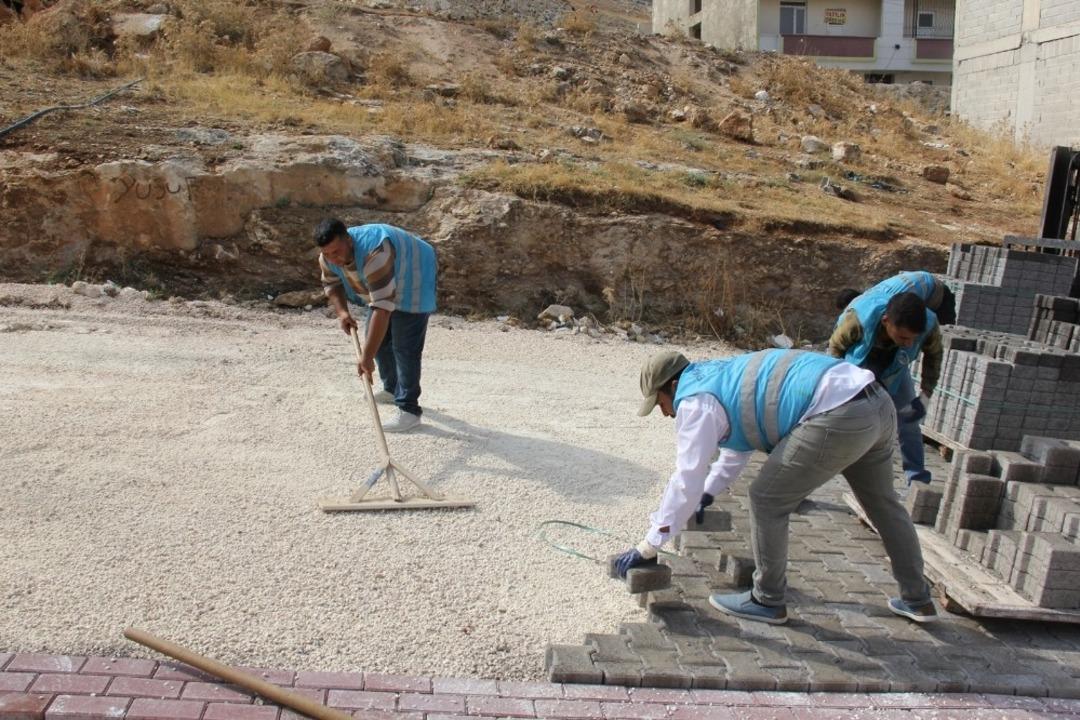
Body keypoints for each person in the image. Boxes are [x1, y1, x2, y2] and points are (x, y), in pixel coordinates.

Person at [613, 349, 937, 626]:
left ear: (672, 385)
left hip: (838, 413)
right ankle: (918, 599)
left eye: (660, 403)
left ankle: (767, 599)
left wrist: (649, 545)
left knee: (766, 499)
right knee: (884, 504)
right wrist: (705, 498)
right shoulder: (718, 377)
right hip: (876, 402)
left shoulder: (694, 402)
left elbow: (686, 477)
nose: (664, 413)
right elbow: (732, 454)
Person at [314, 218, 437, 433]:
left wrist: (366, 357)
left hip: (413, 275)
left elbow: (382, 308)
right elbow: (332, 284)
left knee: (404, 347)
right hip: (384, 284)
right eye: (328, 254)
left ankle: (409, 410)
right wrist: (343, 313)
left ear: (348, 240)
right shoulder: (327, 257)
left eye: (337, 252)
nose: (334, 258)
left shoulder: (376, 252)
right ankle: (391, 388)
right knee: (378, 341)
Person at [831, 282, 946, 485]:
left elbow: (934, 355)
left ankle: (917, 476)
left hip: (896, 369)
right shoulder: (859, 319)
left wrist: (926, 393)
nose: (910, 343)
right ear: (886, 321)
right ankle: (829, 464)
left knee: (909, 420)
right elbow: (835, 349)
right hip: (860, 362)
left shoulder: (929, 324)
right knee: (847, 416)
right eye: (903, 337)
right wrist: (836, 387)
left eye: (913, 339)